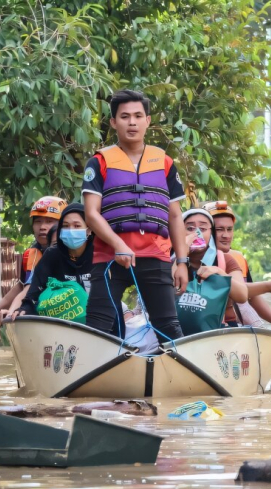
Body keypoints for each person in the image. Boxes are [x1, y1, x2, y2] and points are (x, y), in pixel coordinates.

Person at [82, 89, 188, 341]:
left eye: (138, 116)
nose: (132, 122)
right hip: (110, 257)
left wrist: (182, 262)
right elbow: (91, 214)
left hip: (156, 255)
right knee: (98, 326)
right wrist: (119, 245)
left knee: (169, 327)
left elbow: (175, 216)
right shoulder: (98, 163)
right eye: (125, 116)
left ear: (147, 121)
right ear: (113, 122)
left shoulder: (165, 163)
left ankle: (177, 376)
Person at [206, 201, 271, 336]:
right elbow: (240, 291)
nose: (226, 235)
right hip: (208, 328)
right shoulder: (196, 258)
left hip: (235, 328)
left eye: (229, 229)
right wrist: (269, 286)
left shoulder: (237, 258)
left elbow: (250, 296)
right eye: (219, 230)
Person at [0, 195, 66, 331]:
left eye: (49, 221)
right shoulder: (33, 253)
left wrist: (10, 314)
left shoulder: (69, 251)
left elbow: (28, 289)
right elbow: (23, 285)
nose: (42, 227)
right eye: (38, 221)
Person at [12, 203, 93, 320]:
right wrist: (24, 309)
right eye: (65, 226)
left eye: (76, 226)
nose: (71, 231)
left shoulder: (101, 255)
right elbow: (33, 292)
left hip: (98, 324)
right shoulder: (52, 255)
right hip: (59, 325)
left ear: (89, 229)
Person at [179, 208, 249, 327]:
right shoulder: (170, 261)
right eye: (190, 228)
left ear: (211, 233)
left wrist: (219, 272)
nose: (197, 234)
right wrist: (182, 254)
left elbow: (242, 296)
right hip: (179, 330)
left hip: (218, 331)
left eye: (203, 229)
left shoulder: (225, 260)